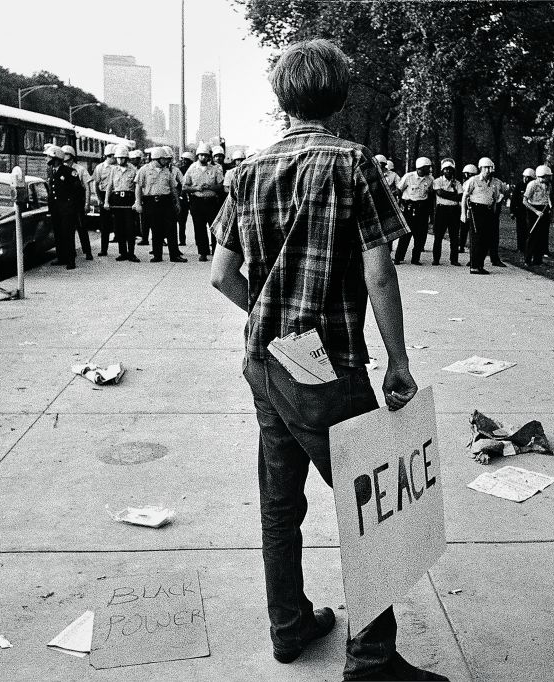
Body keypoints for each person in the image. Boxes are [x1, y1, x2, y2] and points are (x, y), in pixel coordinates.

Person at [209, 38, 447, 682]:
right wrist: (397, 360)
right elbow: (379, 271)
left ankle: (287, 626)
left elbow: (221, 275)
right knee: (374, 507)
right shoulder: (353, 165)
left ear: (283, 96)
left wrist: (270, 318)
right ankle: (371, 660)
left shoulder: (247, 172)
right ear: (339, 98)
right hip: (328, 366)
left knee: (280, 503)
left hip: (266, 362)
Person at [134, 147, 186, 263]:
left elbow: (173, 188)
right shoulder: (144, 170)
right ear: (157, 159)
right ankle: (157, 255)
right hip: (151, 201)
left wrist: (177, 202)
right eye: (164, 159)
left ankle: (174, 255)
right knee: (156, 229)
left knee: (172, 228)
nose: (167, 161)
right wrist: (138, 203)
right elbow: (138, 187)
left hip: (166, 201)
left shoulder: (167, 171)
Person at [44, 145, 85, 270]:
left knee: (68, 234)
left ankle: (70, 260)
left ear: (56, 158)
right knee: (58, 233)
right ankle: (61, 257)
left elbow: (78, 191)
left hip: (67, 208)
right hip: (56, 209)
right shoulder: (51, 171)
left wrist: (73, 206)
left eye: (49, 156)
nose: (46, 159)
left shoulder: (68, 172)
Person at [183, 142, 225, 261]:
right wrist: (196, 188)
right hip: (197, 201)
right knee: (199, 228)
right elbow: (185, 187)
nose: (203, 157)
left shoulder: (216, 169)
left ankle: (216, 251)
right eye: (201, 155)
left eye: (206, 155)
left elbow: (221, 186)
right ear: (197, 156)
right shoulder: (192, 169)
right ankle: (203, 252)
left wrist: (210, 187)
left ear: (209, 156)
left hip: (211, 201)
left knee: (214, 227)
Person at [462, 156, 501, 275]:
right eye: (486, 168)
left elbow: (495, 198)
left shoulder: (494, 182)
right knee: (476, 238)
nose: (488, 171)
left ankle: (480, 264)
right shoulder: (473, 180)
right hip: (476, 210)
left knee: (486, 239)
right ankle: (474, 266)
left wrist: (494, 212)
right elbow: (465, 197)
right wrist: (463, 213)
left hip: (488, 211)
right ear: (480, 168)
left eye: (490, 168)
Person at [394, 157, 435, 265]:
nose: (429, 169)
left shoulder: (430, 179)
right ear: (421, 167)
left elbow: (430, 194)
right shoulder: (409, 176)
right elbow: (398, 189)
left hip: (422, 208)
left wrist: (430, 212)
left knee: (420, 235)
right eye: (427, 167)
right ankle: (398, 257)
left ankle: (415, 258)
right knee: (405, 235)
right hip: (409, 207)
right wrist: (400, 202)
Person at [62, 145, 94, 261]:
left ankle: (88, 251)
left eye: (66, 154)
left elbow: (87, 187)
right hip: (66, 204)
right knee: (68, 230)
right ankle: (70, 252)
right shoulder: (61, 169)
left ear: (71, 156)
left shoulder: (80, 170)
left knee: (82, 228)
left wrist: (87, 203)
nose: (64, 156)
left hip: (77, 203)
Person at [107, 144, 139, 262]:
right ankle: (122, 252)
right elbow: (110, 186)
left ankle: (131, 253)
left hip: (129, 199)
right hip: (117, 200)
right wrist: (106, 201)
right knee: (119, 228)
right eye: (118, 158)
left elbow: (137, 187)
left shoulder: (133, 170)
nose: (120, 160)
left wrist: (137, 201)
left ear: (127, 158)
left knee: (130, 228)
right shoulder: (113, 170)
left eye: (123, 158)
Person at [431, 158, 462, 266]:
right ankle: (436, 259)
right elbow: (440, 193)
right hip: (442, 209)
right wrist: (454, 196)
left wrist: (449, 195)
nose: (448, 171)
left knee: (454, 237)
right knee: (438, 236)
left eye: (450, 169)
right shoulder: (437, 181)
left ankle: (454, 259)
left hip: (454, 211)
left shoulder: (457, 183)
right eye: (446, 169)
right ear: (442, 170)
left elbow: (461, 196)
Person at [522, 164, 553, 266]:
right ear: (542, 176)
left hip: (544, 209)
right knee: (532, 236)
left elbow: (548, 197)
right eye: (547, 176)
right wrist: (535, 211)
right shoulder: (532, 184)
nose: (549, 178)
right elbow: (525, 201)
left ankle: (537, 260)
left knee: (542, 236)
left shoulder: (549, 185)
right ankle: (527, 259)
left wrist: (549, 206)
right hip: (533, 210)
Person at [91, 144, 116, 257]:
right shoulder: (100, 168)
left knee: (119, 223)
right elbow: (95, 184)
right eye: (113, 156)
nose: (115, 159)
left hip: (116, 195)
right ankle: (103, 249)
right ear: (108, 156)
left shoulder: (117, 167)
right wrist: (99, 199)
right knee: (104, 226)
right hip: (104, 194)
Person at [512, 168, 535, 252]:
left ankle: (528, 248)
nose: (525, 179)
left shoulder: (533, 186)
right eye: (524, 177)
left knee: (529, 230)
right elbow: (514, 198)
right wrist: (512, 211)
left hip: (530, 210)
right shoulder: (519, 185)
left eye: (527, 177)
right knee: (520, 230)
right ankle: (520, 247)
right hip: (520, 211)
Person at [177, 151, 195, 245]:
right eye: (183, 159)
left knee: (194, 221)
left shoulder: (193, 170)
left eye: (186, 160)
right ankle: (182, 240)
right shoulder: (179, 170)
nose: (184, 161)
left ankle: (183, 240)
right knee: (181, 221)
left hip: (191, 196)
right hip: (183, 197)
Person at [458, 163, 478, 251]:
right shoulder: (467, 182)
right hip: (466, 206)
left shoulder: (469, 183)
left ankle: (466, 246)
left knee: (467, 229)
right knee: (464, 228)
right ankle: (462, 245)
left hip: (470, 206)